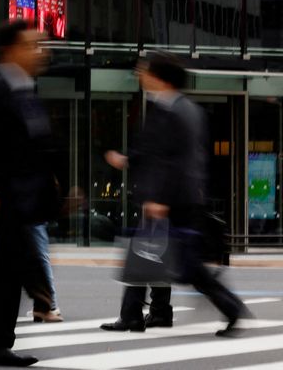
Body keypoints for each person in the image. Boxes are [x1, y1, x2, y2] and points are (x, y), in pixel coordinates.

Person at [100, 53, 250, 336]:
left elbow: (178, 160)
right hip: (171, 198)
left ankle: (230, 307)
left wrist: (162, 199)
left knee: (187, 266)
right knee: (144, 254)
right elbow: (156, 152)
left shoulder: (175, 111)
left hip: (173, 201)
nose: (139, 74)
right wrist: (127, 159)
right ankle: (134, 315)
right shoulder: (174, 108)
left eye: (144, 71)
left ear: (160, 77)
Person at [0, 21, 57, 368]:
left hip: (26, 197)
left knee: (9, 268)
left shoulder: (24, 87)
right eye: (32, 44)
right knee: (14, 267)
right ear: (10, 50)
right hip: (8, 195)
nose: (40, 51)